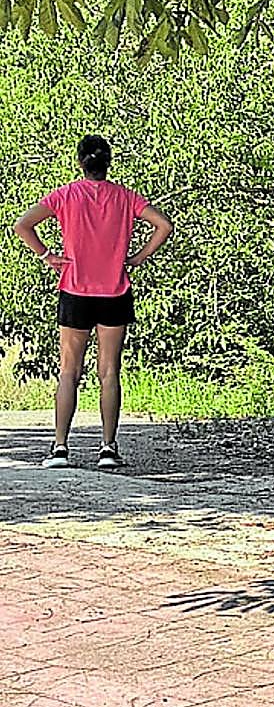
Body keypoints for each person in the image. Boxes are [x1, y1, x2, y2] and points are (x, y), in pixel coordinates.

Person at [12, 135, 173, 469]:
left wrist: (47, 256)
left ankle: (59, 448)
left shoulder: (66, 195)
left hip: (75, 290)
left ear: (80, 161)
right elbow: (164, 225)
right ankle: (108, 448)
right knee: (109, 371)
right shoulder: (125, 197)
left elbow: (22, 225)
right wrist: (139, 257)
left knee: (69, 371)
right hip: (114, 290)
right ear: (108, 163)